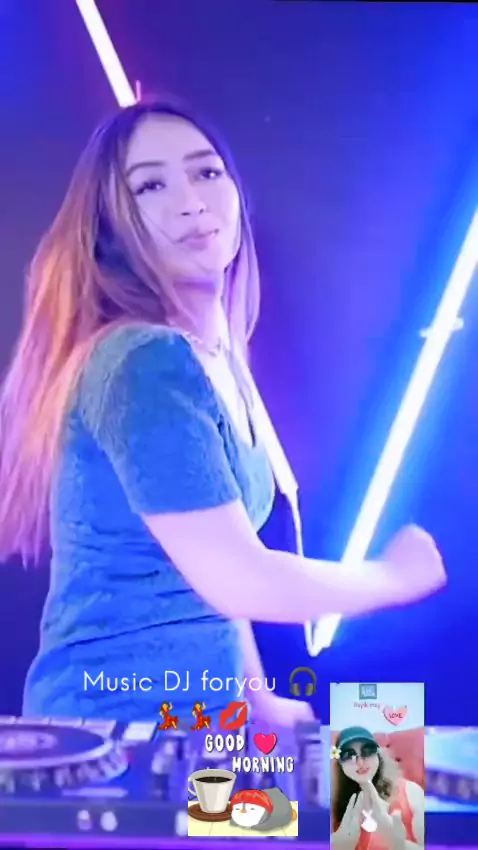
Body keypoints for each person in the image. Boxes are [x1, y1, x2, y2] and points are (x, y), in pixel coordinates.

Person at [0, 99, 446, 723]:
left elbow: (214, 571)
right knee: (394, 763)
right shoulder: (144, 362)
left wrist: (260, 700)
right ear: (109, 229)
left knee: (392, 760)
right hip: (120, 733)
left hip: (212, 719)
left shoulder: (214, 360)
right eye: (150, 185)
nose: (191, 201)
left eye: (206, 172)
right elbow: (239, 577)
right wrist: (395, 576)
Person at [331, 726, 424, 849]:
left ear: (378, 755)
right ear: (340, 764)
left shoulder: (410, 792)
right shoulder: (332, 804)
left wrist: (399, 844)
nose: (360, 762)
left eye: (367, 751)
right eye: (349, 755)